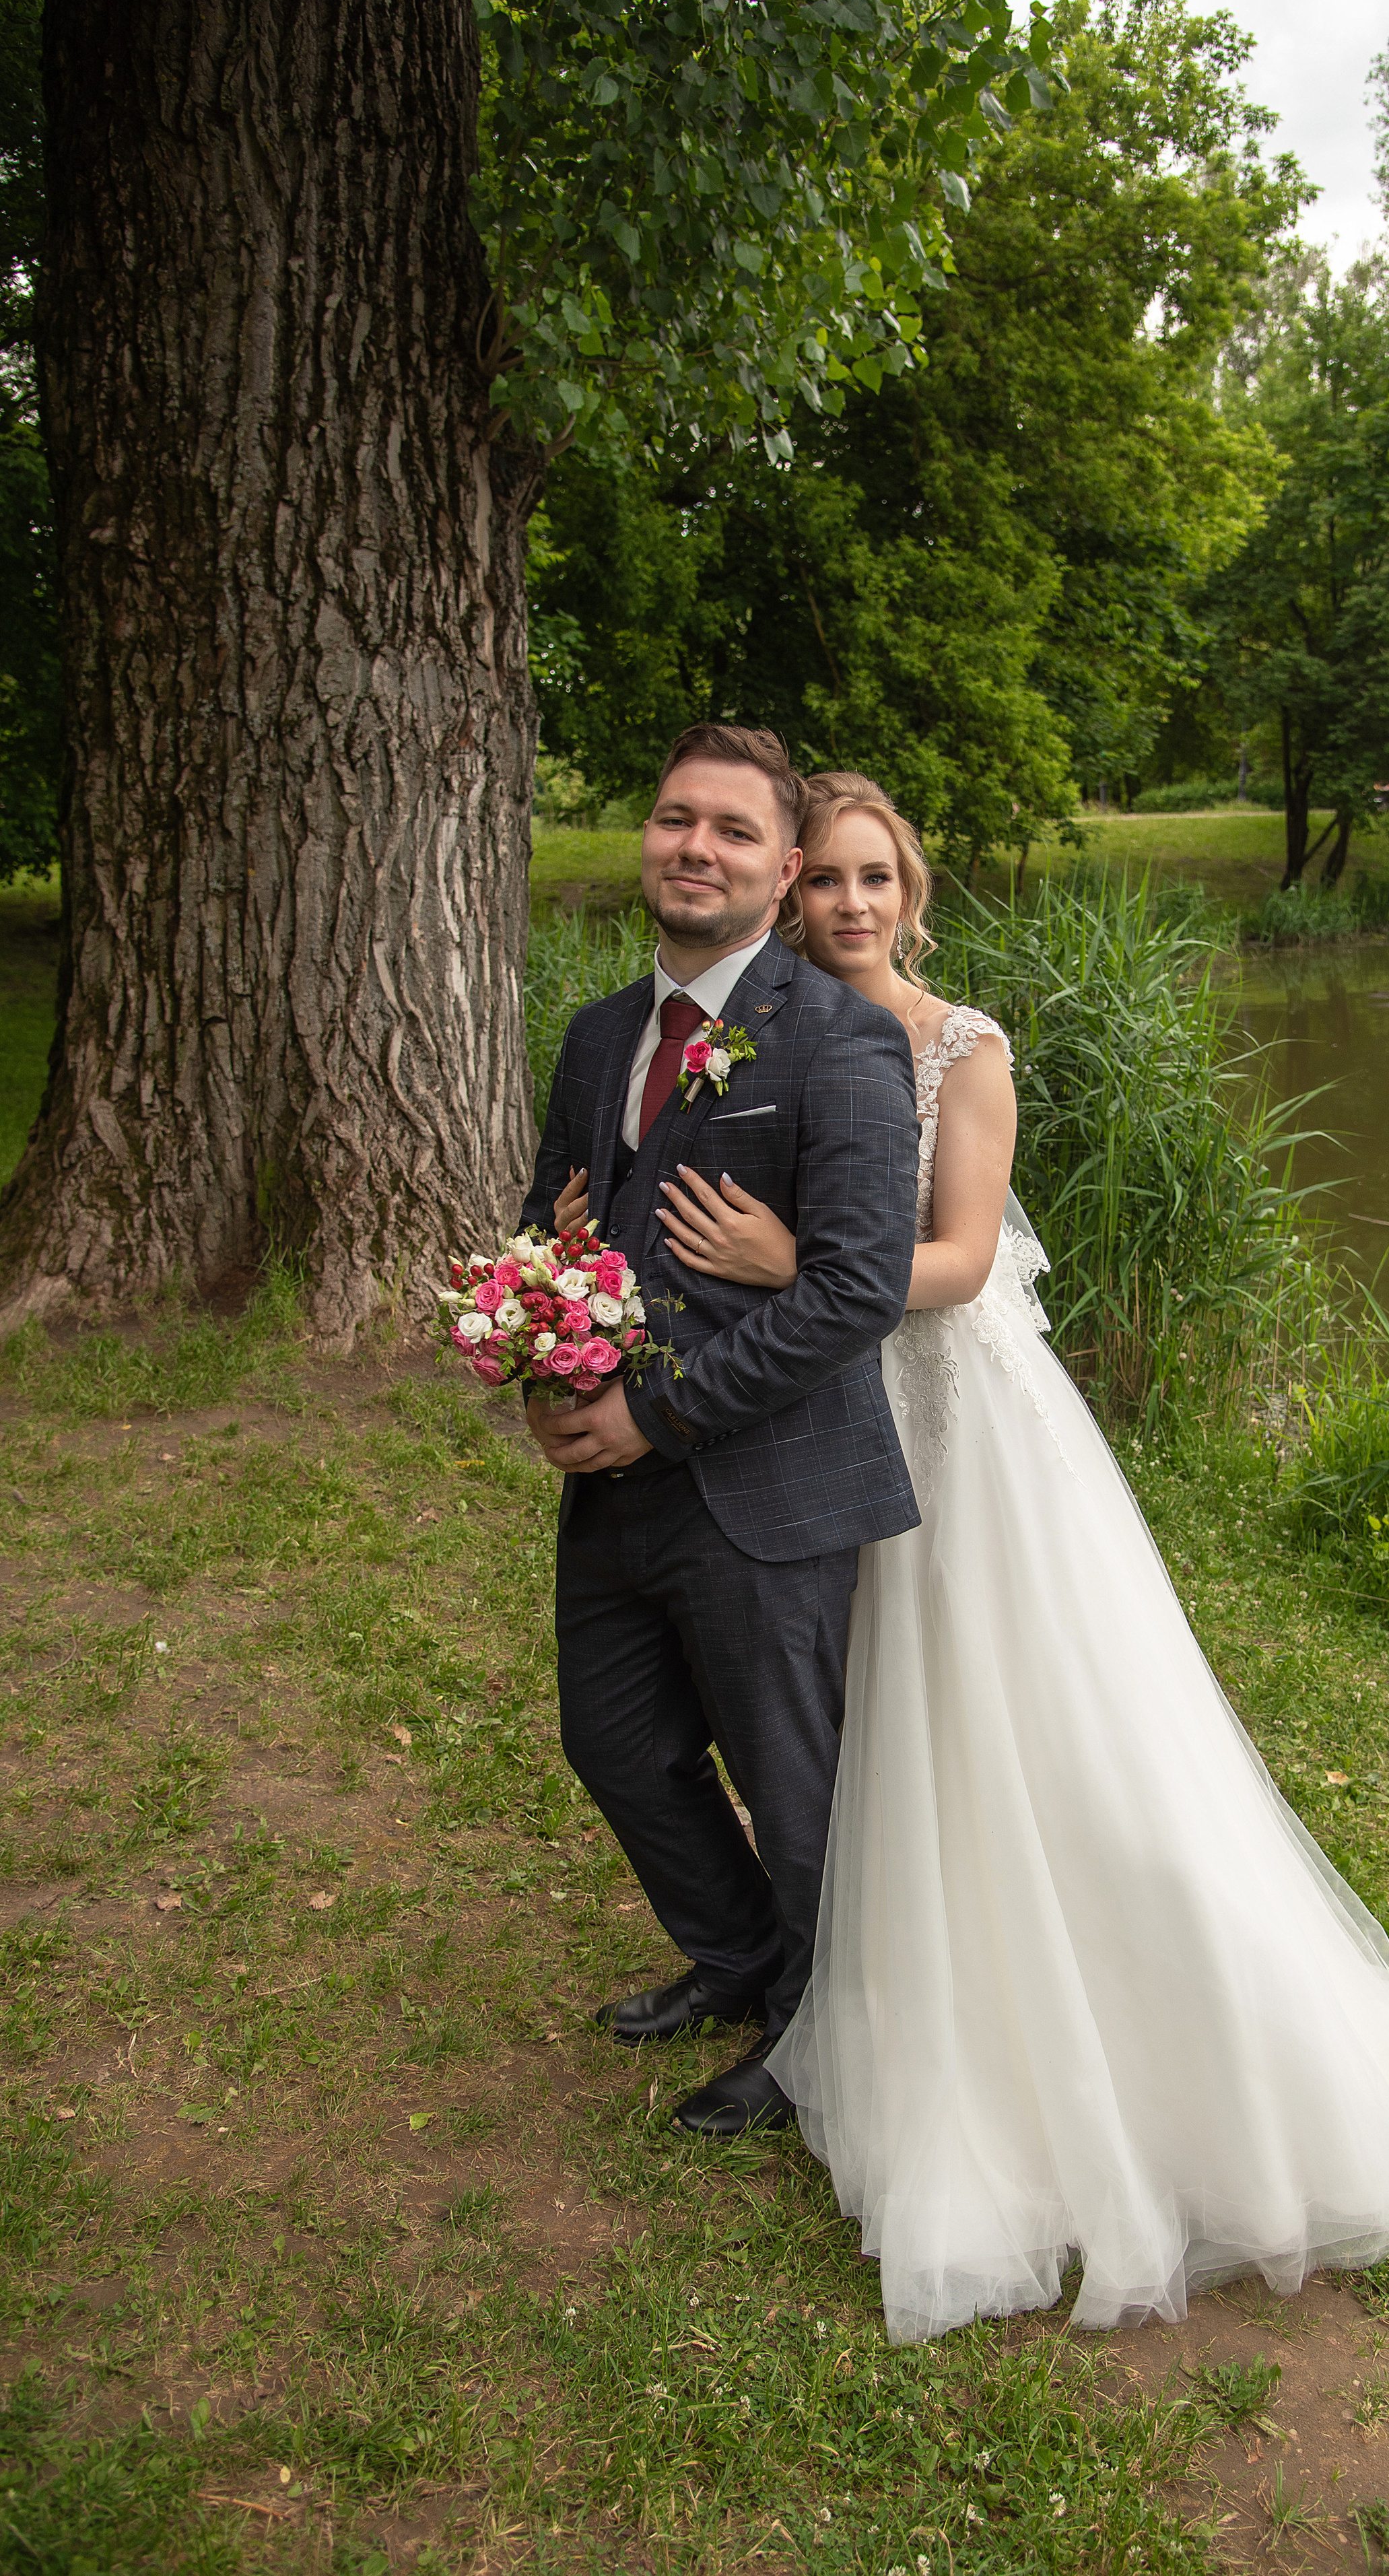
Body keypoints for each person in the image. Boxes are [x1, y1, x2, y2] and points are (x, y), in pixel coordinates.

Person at [650, 770, 1389, 2343]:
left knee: (1024, 1726)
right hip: (817, 1420)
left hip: (952, 1420)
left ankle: (1143, 2033)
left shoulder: (961, 1049)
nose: (844, 906)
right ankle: (869, 1996)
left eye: (871, 880)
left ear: (911, 892)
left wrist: (791, 1266)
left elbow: (962, 1261)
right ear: (783, 894)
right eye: (820, 879)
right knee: (858, 1732)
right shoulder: (763, 1037)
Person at [518, 726, 922, 2138]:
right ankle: (742, 1956)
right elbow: (550, 1224)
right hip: (616, 1485)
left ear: (784, 870)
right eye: (673, 818)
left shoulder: (841, 1040)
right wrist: (536, 1355)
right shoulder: (591, 1037)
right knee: (613, 1740)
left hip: (769, 1485)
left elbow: (862, 1287)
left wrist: (651, 1411)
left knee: (792, 1785)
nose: (696, 847)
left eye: (733, 832)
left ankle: (819, 2031)